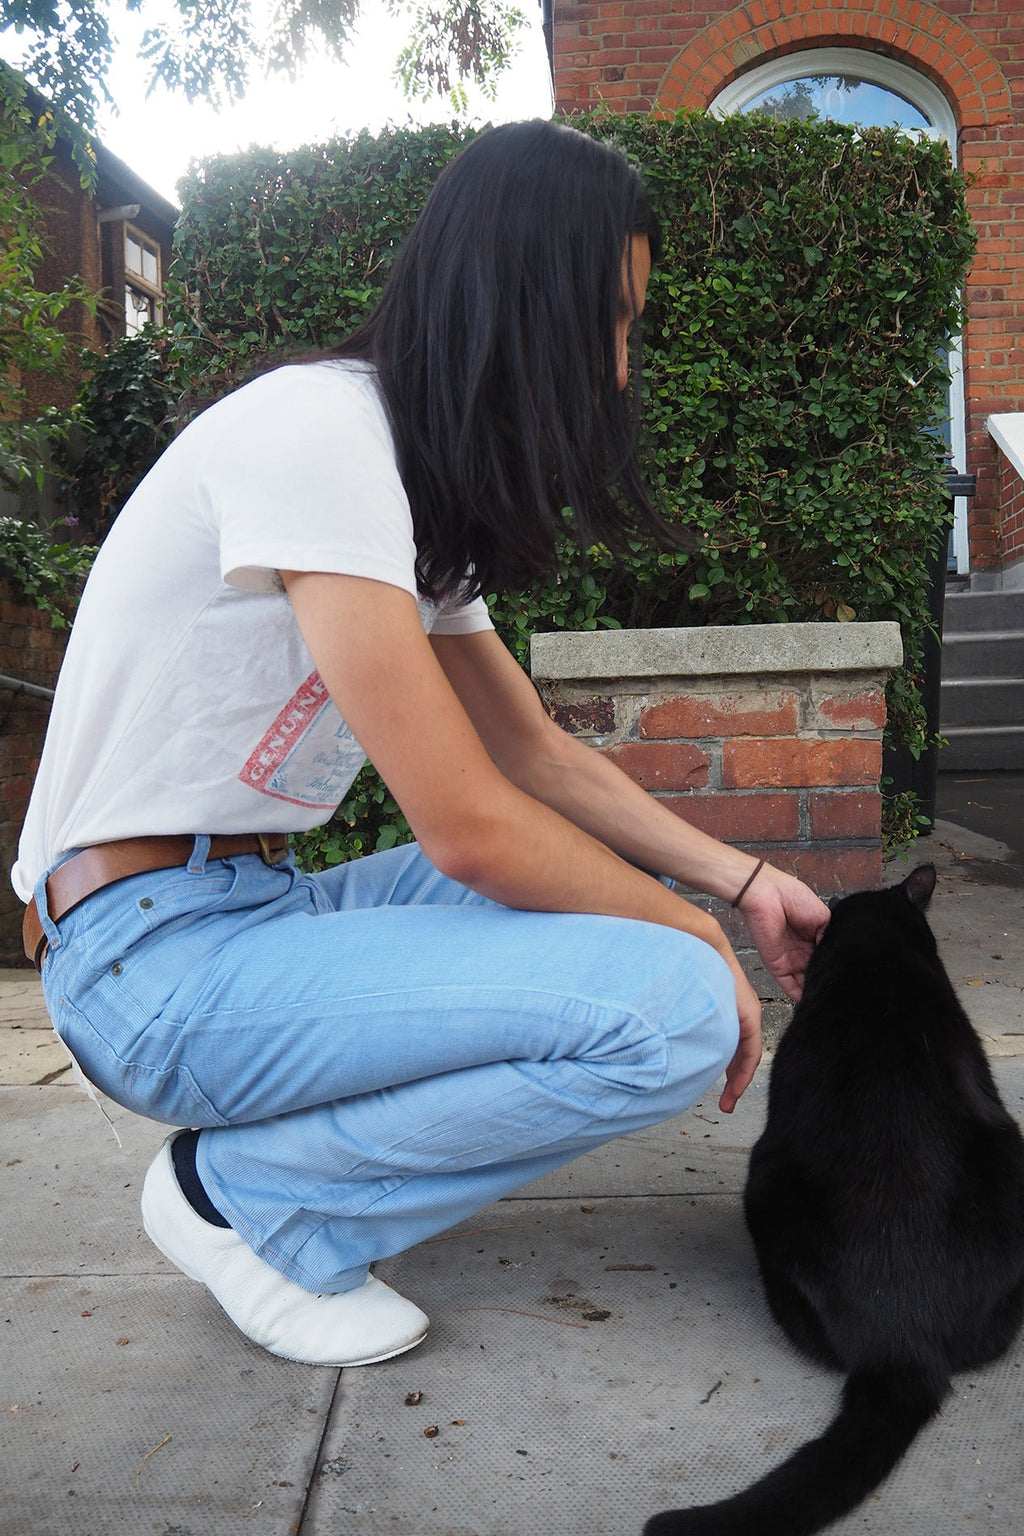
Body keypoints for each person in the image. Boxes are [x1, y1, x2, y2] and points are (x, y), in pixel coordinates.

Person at [13, 120, 829, 1369]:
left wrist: (743, 883)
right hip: (145, 967)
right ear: (524, 302)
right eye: (610, 322)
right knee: (667, 1012)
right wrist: (691, 941)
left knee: (617, 898)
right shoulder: (317, 436)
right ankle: (250, 1203)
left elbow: (536, 761)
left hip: (246, 910)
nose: (617, 367)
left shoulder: (395, 476)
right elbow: (468, 825)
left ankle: (272, 1177)